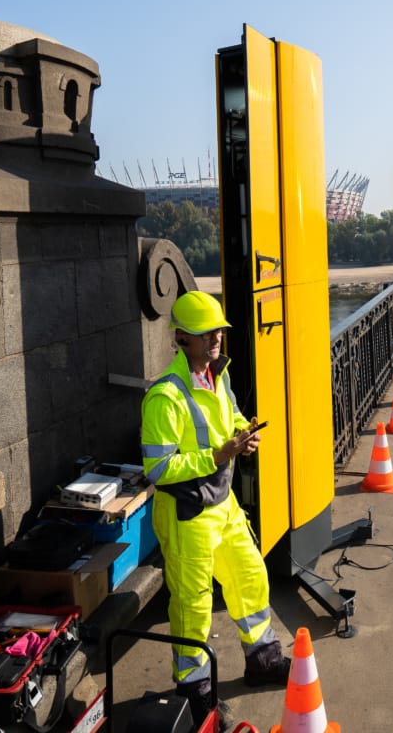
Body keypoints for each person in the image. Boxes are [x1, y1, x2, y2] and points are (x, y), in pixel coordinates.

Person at [140, 290, 291, 719]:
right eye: (206, 333)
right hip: (187, 515)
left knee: (250, 576)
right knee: (193, 605)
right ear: (181, 339)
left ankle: (262, 660)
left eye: (218, 332)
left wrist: (245, 432)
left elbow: (231, 416)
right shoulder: (164, 397)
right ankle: (195, 692)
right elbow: (158, 469)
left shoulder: (216, 376)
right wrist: (218, 455)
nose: (216, 339)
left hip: (222, 504)